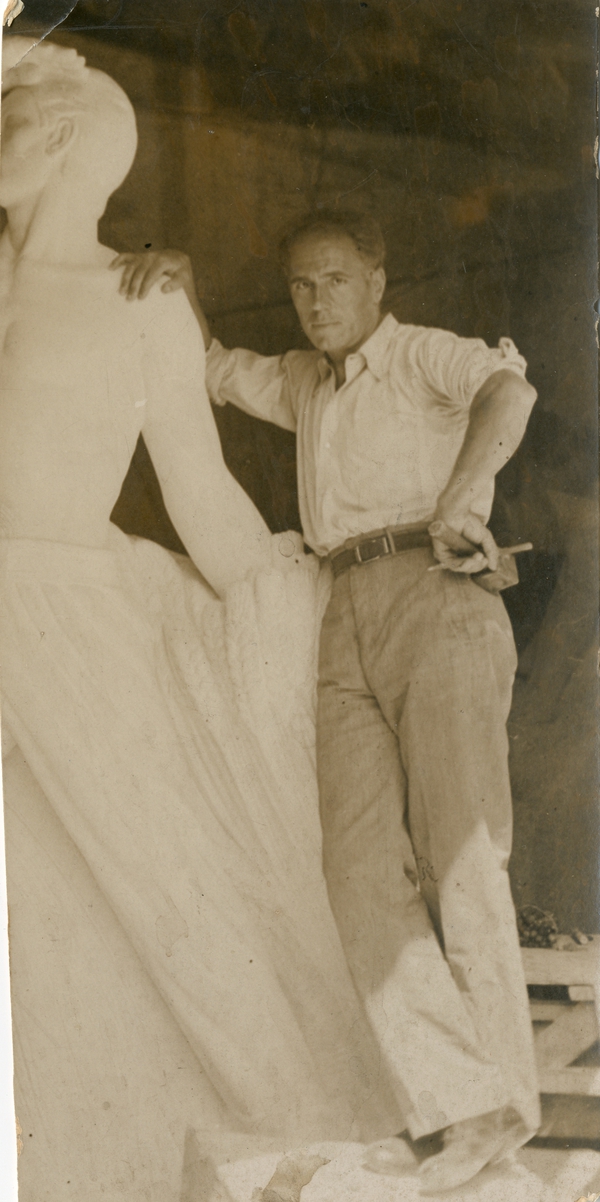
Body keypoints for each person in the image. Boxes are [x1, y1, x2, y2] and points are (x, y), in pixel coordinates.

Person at [0, 40, 402, 1200]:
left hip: (66, 615)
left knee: (151, 891)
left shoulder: (141, 301)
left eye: (9, 116)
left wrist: (279, 590)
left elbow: (197, 485)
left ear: (61, 140)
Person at [117, 207, 542, 1192]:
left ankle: (498, 1110)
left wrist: (461, 496)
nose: (316, 303)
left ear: (377, 281)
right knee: (356, 867)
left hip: (436, 589)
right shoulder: (307, 381)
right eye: (301, 286)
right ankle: (454, 1104)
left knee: (461, 852)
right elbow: (213, 367)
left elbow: (509, 390)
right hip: (341, 602)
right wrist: (183, 281)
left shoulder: (419, 354)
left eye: (336, 280)